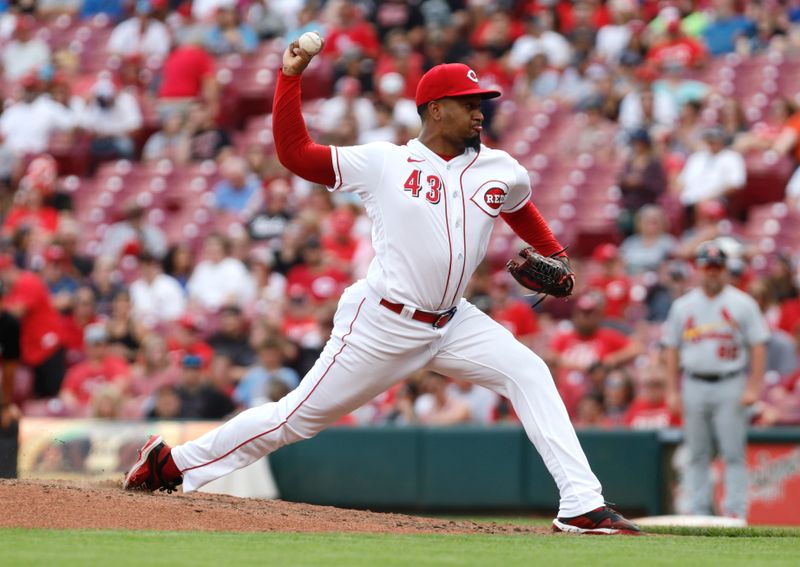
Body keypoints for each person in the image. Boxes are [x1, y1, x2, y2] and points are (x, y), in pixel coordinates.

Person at [123, 42, 640, 535]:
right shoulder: (385, 163)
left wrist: (556, 254)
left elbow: (518, 205)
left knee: (529, 372)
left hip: (453, 321)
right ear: (435, 110)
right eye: (469, 103)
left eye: (483, 102)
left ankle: (581, 506)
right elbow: (296, 154)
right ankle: (172, 464)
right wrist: (290, 78)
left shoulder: (499, 167)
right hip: (383, 324)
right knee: (293, 420)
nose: (481, 112)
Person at [663, 241, 769, 519]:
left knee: (733, 452)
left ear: (725, 270)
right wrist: (672, 391)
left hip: (730, 382)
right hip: (694, 383)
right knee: (697, 453)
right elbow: (671, 349)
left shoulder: (742, 303)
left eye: (717, 267)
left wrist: (753, 387)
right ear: (699, 269)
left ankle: (735, 512)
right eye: (708, 267)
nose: (712, 272)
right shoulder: (683, 306)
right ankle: (698, 511)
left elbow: (759, 345)